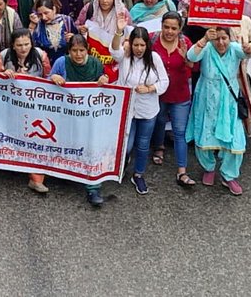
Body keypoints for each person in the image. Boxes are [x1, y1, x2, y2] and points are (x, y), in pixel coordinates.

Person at [50, 31, 124, 206]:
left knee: (91, 148)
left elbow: (103, 84)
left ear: (87, 50)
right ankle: (66, 173)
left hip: (89, 116)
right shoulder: (61, 63)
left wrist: (104, 80)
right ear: (69, 51)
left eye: (81, 50)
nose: (78, 54)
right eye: (74, 50)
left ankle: (93, 187)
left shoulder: (95, 64)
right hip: (66, 113)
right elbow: (46, 84)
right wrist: (53, 77)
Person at [188, 25, 248, 194]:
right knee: (204, 132)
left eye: (224, 38)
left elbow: (247, 53)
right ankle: (208, 168)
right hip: (206, 98)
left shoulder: (235, 48)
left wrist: (249, 48)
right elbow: (191, 56)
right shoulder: (207, 47)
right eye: (217, 38)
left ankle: (229, 175)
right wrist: (205, 39)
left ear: (230, 38)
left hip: (229, 101)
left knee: (235, 138)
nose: (221, 42)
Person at [0, 28, 53, 194]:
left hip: (35, 107)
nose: (23, 48)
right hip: (9, 106)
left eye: (26, 44)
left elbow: (49, 77)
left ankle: (36, 179)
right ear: (13, 45)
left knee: (36, 140)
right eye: (19, 45)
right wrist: (2, 73)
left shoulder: (41, 56)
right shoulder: (3, 56)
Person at [119, 26, 169, 194]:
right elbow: (114, 51)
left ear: (147, 45)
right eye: (136, 45)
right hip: (128, 109)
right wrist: (119, 32)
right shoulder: (125, 56)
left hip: (148, 110)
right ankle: (122, 165)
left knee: (142, 145)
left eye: (142, 45)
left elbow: (164, 81)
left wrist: (150, 88)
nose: (139, 49)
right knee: (126, 145)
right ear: (130, 44)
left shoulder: (154, 58)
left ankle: (138, 174)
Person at [150, 11, 196, 186]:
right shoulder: (152, 40)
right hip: (158, 94)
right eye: (166, 27)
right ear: (161, 26)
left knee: (179, 132)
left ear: (180, 29)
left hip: (180, 95)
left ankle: (182, 171)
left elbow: (195, 67)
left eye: (173, 28)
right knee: (160, 121)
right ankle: (159, 147)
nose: (169, 31)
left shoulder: (186, 43)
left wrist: (186, 59)